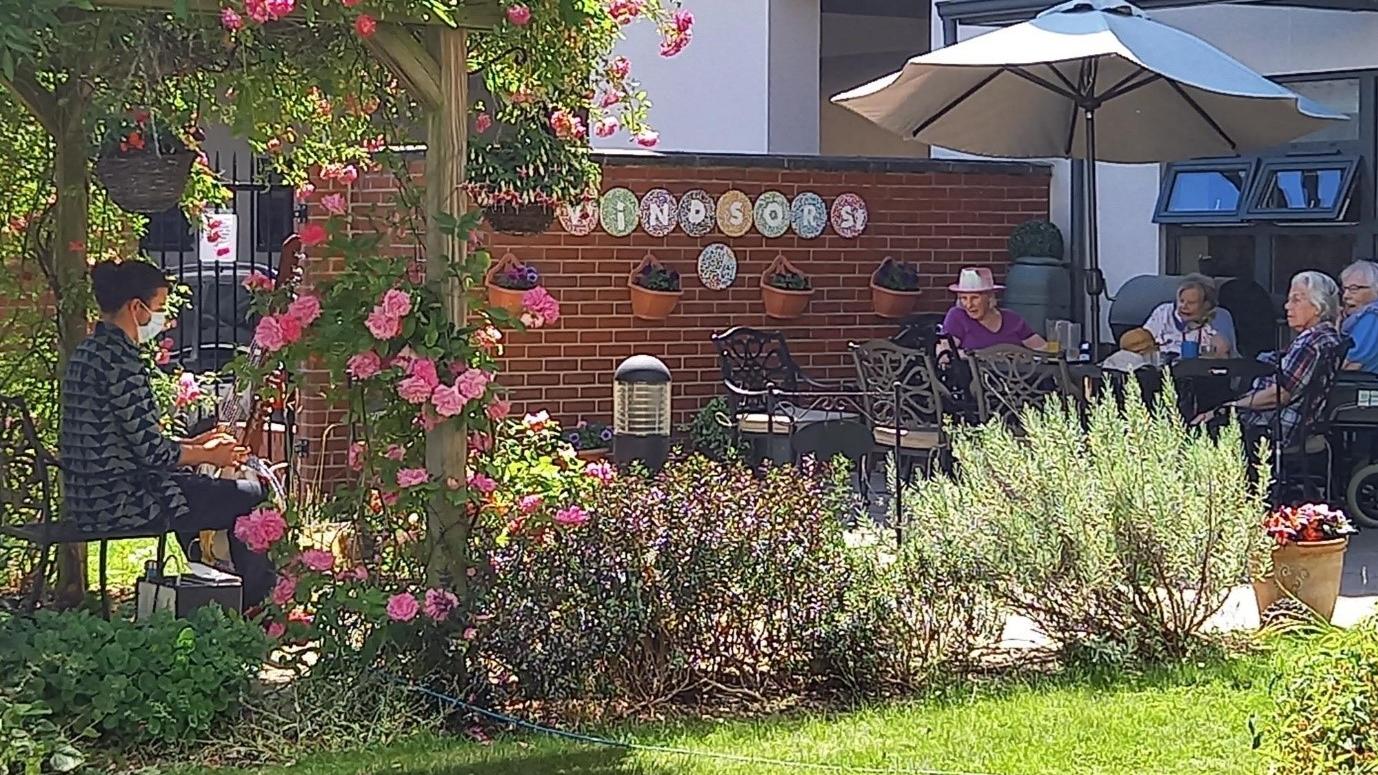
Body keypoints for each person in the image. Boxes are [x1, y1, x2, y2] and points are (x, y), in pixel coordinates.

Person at [59, 260, 276, 607]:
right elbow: (154, 454)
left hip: (88, 497)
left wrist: (197, 443)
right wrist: (211, 455)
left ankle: (206, 582)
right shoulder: (121, 363)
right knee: (250, 494)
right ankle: (255, 604)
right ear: (136, 308)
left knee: (201, 491)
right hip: (122, 501)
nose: (161, 318)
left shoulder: (87, 352)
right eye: (159, 307)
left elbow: (129, 441)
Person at [1194, 271, 1344, 460]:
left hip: (1272, 427)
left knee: (1201, 423)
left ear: (1318, 307)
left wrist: (1229, 407)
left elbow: (1279, 395)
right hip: (1292, 422)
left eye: (1296, 300)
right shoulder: (1328, 337)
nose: (1287, 306)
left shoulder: (1310, 343)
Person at [941, 267, 1047, 351]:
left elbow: (1042, 348)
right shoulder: (957, 316)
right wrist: (975, 356)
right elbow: (945, 353)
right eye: (964, 298)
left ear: (990, 297)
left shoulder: (1011, 319)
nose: (968, 305)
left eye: (975, 298)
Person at [1142, 274, 1237, 357]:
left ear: (1206, 305)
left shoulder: (1218, 316)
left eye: (1191, 303)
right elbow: (1143, 338)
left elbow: (1223, 350)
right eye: (1181, 301)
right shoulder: (1164, 311)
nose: (1183, 306)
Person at [1340, 259, 1378, 372]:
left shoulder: (1372, 316)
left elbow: (1349, 363)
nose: (1345, 296)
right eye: (1344, 289)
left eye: (1354, 289)